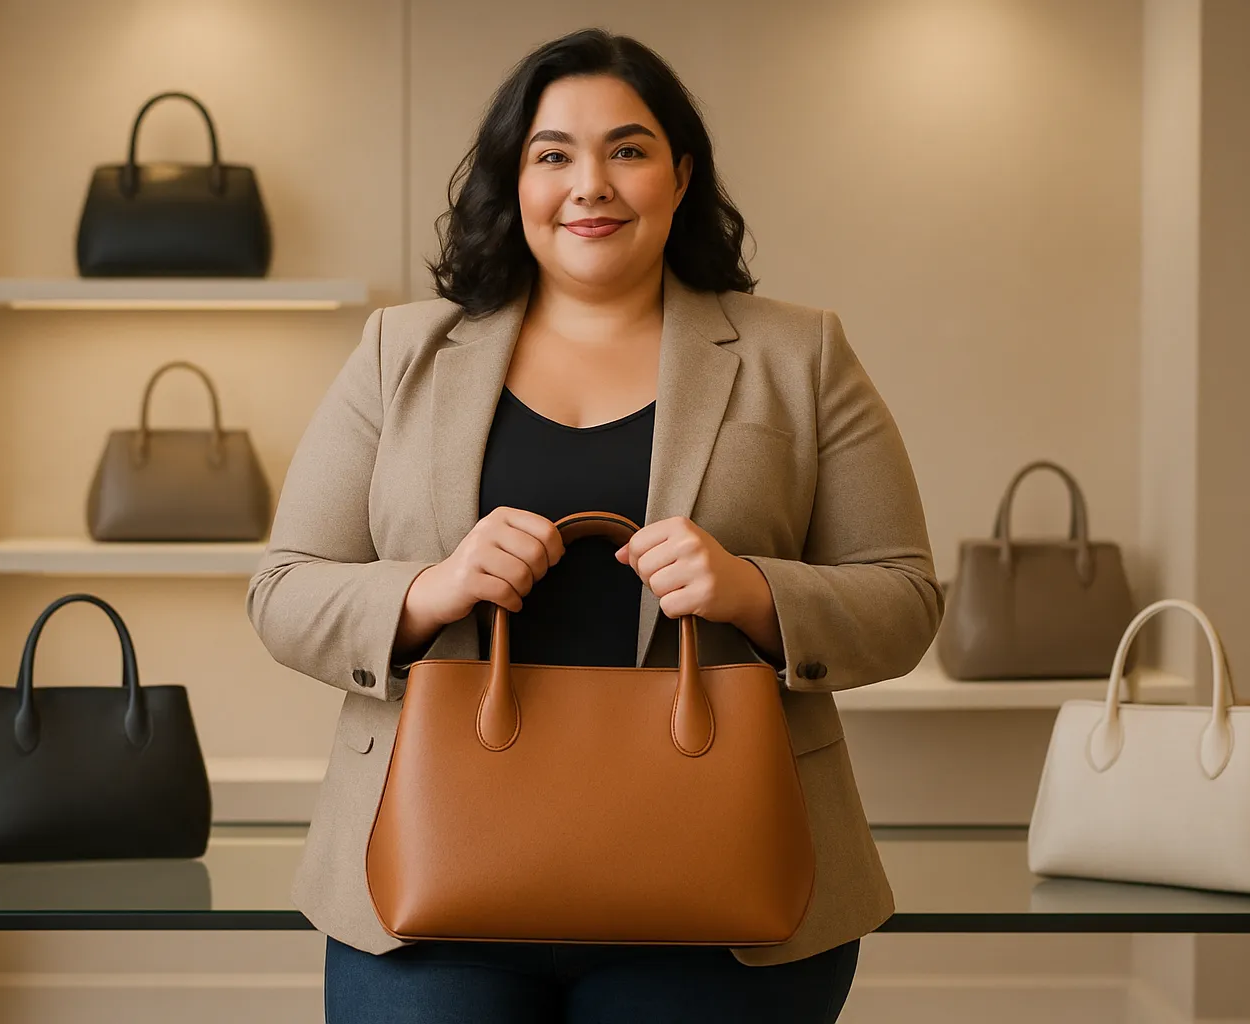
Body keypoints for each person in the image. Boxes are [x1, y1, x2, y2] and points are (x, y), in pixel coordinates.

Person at [247, 27, 942, 1024]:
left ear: (681, 174)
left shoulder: (801, 353)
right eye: (553, 154)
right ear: (513, 178)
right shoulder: (400, 352)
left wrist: (753, 590)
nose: (591, 185)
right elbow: (283, 590)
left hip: (727, 890)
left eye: (628, 149)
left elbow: (905, 597)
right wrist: (432, 588)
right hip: (430, 880)